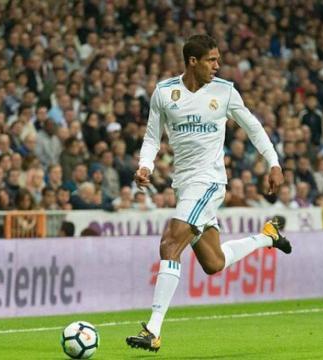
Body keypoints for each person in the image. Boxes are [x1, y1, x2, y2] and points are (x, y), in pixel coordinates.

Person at [126, 34, 291, 352]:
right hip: (184, 185)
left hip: (210, 182)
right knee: (214, 263)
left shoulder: (225, 92)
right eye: (211, 60)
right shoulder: (164, 93)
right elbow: (151, 136)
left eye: (218, 59)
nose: (218, 65)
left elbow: (253, 127)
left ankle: (153, 329)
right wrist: (145, 165)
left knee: (170, 242)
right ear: (192, 62)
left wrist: (274, 163)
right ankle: (268, 237)